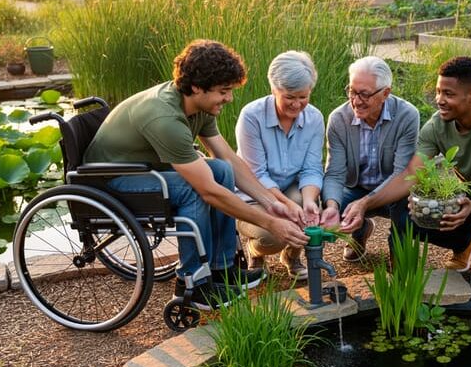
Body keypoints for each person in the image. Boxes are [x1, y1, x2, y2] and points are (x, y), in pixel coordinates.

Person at [83, 39, 308, 309]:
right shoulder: (166, 119)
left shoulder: (198, 106)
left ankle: (221, 270)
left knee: (221, 169)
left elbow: (228, 159)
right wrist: (271, 224)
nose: (229, 98)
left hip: (148, 169)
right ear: (197, 87)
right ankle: (192, 281)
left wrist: (275, 204)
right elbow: (208, 191)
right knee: (195, 190)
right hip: (111, 180)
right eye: (224, 91)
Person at [340, 56, 471, 286]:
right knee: (409, 213)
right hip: (463, 200)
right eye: (438, 91)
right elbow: (409, 175)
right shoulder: (436, 126)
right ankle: (463, 243)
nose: (439, 100)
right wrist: (365, 203)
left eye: (448, 94)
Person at [235, 51, 324, 281]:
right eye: (289, 97)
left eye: (303, 97)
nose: (297, 104)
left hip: (290, 190)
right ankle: (255, 251)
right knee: (274, 236)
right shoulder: (251, 117)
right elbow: (257, 175)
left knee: (309, 215)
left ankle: (291, 256)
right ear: (274, 89)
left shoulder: (314, 118)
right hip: (253, 196)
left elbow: (312, 169)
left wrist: (308, 202)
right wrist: (286, 204)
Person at [319, 56, 419, 261]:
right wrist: (331, 207)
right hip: (356, 187)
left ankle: (401, 272)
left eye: (364, 94)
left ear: (385, 93)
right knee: (324, 208)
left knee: (404, 212)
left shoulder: (407, 115)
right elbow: (335, 173)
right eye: (352, 91)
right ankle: (360, 230)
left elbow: (403, 174)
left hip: (394, 188)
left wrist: (364, 204)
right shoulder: (339, 119)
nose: (356, 100)